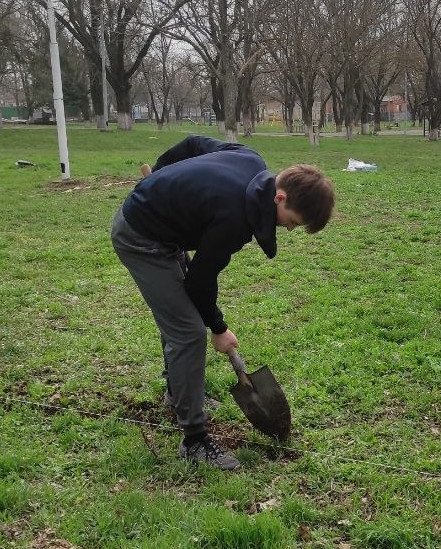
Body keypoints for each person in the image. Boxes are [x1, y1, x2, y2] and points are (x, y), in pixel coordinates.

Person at [111, 135, 335, 470]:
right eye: (293, 221)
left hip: (165, 231)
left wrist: (161, 177)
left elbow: (193, 144)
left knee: (183, 315)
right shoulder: (235, 219)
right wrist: (218, 328)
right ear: (280, 196)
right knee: (188, 332)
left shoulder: (250, 159)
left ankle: (177, 392)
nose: (289, 229)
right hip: (140, 237)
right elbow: (199, 282)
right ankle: (194, 442)